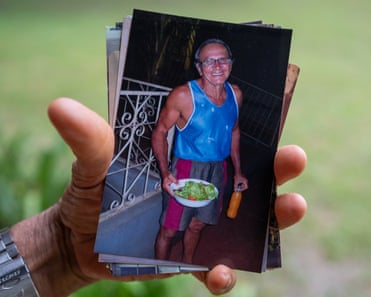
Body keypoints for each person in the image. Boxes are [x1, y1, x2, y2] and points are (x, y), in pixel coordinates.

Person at [6, 98, 306, 297]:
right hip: (178, 180)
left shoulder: (230, 116)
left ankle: (188, 253)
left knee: (200, 227)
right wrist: (56, 246)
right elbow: (162, 141)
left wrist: (56, 248)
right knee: (168, 227)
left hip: (210, 182)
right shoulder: (180, 107)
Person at [152, 39, 249, 264]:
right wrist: (166, 172)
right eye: (209, 61)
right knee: (168, 230)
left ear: (231, 64)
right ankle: (156, 273)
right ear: (199, 67)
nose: (217, 66)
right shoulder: (183, 96)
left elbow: (234, 131)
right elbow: (159, 132)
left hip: (218, 169)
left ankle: (187, 265)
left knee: (197, 226)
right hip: (185, 168)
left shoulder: (236, 94)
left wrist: (238, 171)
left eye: (222, 59)